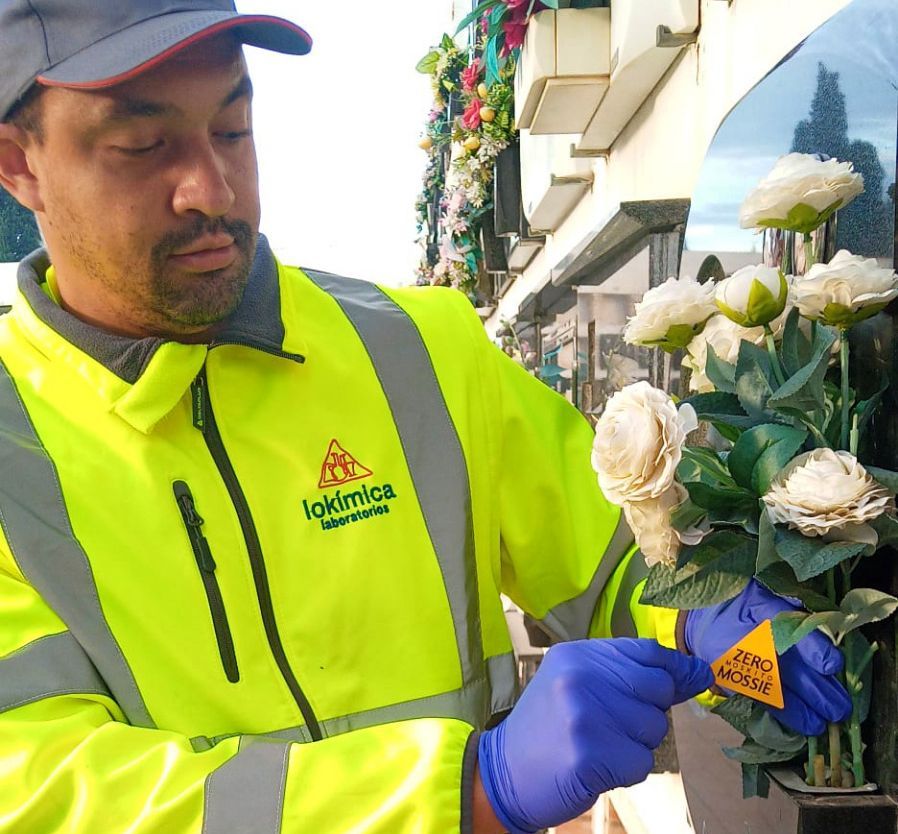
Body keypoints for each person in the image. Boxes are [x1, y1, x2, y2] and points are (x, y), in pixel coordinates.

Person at [0, 2, 851, 832]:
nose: (211, 188)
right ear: (18, 163)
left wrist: (711, 613)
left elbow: (620, 560)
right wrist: (465, 791)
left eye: (232, 128)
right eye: (140, 145)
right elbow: (39, 788)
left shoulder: (423, 349)